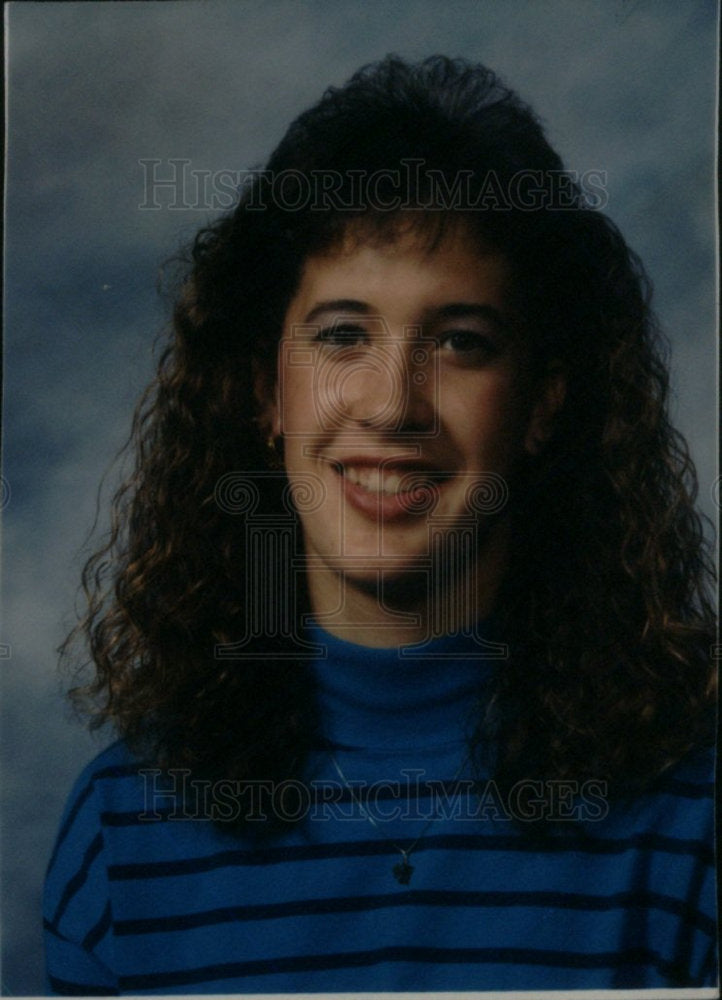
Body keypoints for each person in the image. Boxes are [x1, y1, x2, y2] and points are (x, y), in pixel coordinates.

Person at [44, 55, 717, 994]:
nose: (391, 406)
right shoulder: (123, 833)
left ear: (543, 404)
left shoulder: (692, 818)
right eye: (342, 334)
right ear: (262, 390)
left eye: (460, 343)